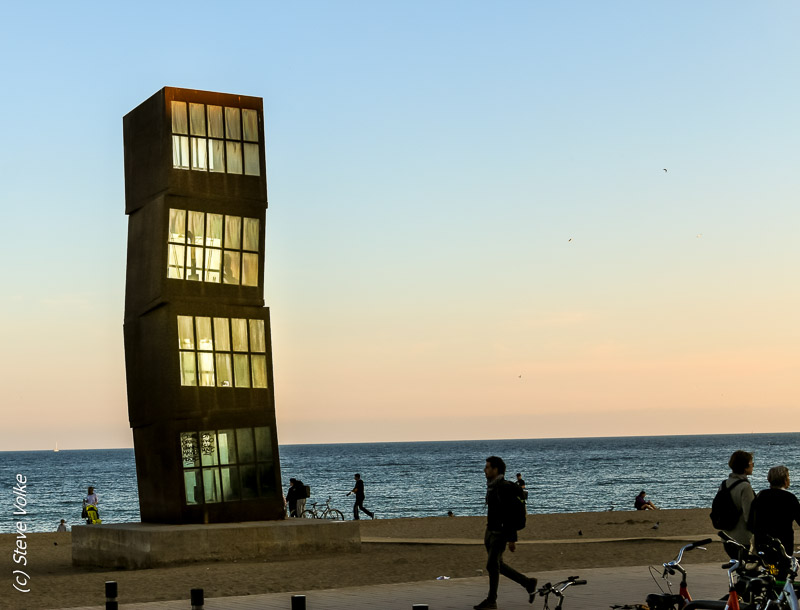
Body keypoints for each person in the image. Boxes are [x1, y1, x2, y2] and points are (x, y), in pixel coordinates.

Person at [474, 456, 537, 610]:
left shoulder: (505, 488)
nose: (484, 470)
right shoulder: (492, 486)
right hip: (490, 531)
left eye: (488, 467)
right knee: (498, 565)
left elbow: (511, 515)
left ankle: (491, 600)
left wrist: (512, 539)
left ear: (496, 470)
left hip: (500, 533)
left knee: (491, 565)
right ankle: (528, 583)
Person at [750, 465, 800, 556]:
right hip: (783, 543)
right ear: (785, 480)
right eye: (788, 477)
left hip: (762, 542)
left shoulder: (761, 496)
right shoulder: (790, 498)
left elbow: (751, 519)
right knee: (784, 567)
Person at [722, 450, 756, 547]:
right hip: (743, 539)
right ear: (745, 467)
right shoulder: (745, 487)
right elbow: (749, 516)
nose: (753, 465)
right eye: (751, 463)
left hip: (727, 536)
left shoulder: (725, 484)